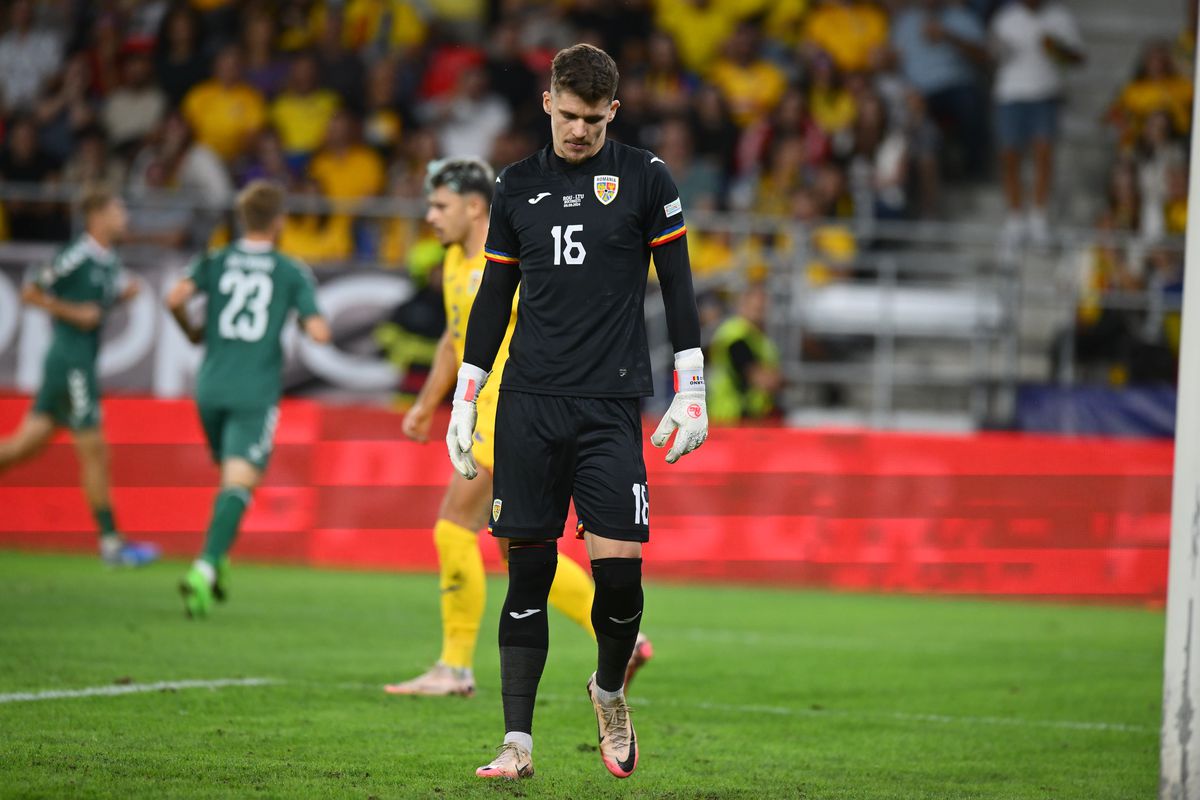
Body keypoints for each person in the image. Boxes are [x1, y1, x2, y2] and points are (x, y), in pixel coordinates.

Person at [449, 43, 706, 780]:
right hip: (528, 404)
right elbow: (494, 298)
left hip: (608, 406)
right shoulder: (516, 185)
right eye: (568, 116)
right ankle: (516, 745)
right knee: (526, 575)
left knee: (620, 581)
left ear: (613, 112)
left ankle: (607, 688)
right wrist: (466, 399)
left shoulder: (645, 178)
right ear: (547, 104)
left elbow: (679, 287)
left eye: (594, 119)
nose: (579, 131)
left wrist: (692, 388)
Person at [384, 157, 653, 698]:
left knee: (454, 525)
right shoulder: (457, 264)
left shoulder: (508, 261)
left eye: (440, 206)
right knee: (518, 553)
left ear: (474, 205)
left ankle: (454, 667)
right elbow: (454, 338)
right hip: (484, 412)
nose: (431, 217)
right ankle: (631, 639)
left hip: (511, 413)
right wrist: (426, 402)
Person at [165, 180, 331, 618]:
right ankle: (204, 567)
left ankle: (218, 562)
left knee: (229, 480)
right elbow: (319, 331)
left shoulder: (216, 260)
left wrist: (191, 330)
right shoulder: (290, 270)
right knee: (239, 485)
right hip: (253, 392)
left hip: (210, 387)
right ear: (279, 222)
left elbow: (175, 297)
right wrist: (302, 322)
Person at [0, 187, 158, 567]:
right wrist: (72, 312)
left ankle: (112, 543)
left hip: (77, 362)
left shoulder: (108, 260)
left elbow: (94, 307)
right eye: (119, 211)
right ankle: (111, 544)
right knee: (95, 451)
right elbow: (31, 292)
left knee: (25, 446)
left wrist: (119, 300)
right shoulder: (76, 254)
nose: (125, 218)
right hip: (70, 362)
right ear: (97, 216)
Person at [990, 0, 1084, 248]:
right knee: (1009, 156)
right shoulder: (1005, 18)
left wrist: (1057, 49)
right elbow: (991, 55)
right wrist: (996, 49)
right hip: (1010, 95)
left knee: (1044, 155)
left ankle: (1039, 218)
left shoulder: (1061, 17)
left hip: (1046, 94)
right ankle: (1015, 217)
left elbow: (1078, 58)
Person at [707, 283, 783, 424]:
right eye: (755, 308)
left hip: (751, 416)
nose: (760, 313)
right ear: (742, 306)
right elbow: (760, 379)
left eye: (762, 309)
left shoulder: (759, 337)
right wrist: (776, 379)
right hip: (730, 417)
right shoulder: (734, 336)